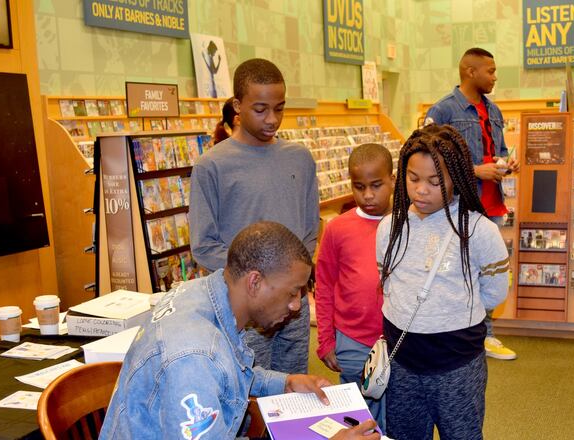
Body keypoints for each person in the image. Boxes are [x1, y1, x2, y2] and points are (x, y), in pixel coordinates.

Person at [100, 222, 380, 440]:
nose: (296, 307)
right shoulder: (194, 357)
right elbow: (205, 367)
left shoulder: (203, 292)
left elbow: (224, 372)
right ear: (255, 282)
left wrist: (285, 382)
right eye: (293, 293)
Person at [377, 124, 509, 439]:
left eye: (435, 182)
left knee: (461, 434)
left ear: (458, 178)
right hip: (403, 361)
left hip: (458, 364)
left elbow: (493, 293)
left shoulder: (479, 231)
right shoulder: (389, 228)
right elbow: (388, 282)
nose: (422, 189)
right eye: (413, 178)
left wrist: (448, 312)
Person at [190, 58, 320, 375]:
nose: (272, 119)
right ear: (238, 105)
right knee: (246, 399)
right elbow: (204, 246)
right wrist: (259, 282)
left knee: (293, 390)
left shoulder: (300, 159)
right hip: (243, 310)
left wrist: (290, 286)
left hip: (293, 307)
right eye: (260, 109)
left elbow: (309, 231)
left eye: (279, 108)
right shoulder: (212, 165)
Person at [425, 47, 519, 361]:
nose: (494, 77)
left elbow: (499, 149)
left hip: (492, 206)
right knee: (457, 270)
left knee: (488, 272)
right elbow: (429, 162)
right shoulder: (443, 111)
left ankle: (486, 334)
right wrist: (475, 170)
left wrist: (506, 163)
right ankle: (461, 333)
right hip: (461, 207)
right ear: (470, 71)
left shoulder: (494, 111)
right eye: (490, 71)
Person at [316, 143, 395, 431]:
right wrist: (326, 339)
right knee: (358, 419)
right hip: (352, 341)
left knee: (400, 415)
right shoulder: (337, 229)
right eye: (359, 186)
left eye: (377, 185)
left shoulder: (409, 223)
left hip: (401, 342)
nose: (368, 195)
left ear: (393, 180)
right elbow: (324, 285)